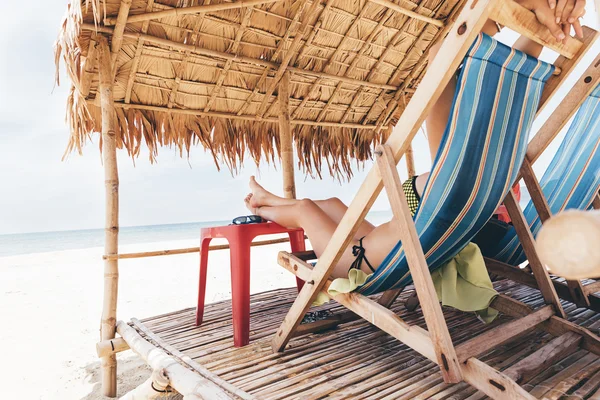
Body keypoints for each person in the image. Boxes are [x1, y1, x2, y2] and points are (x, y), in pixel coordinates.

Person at [244, 0, 587, 281]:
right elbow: (508, 69)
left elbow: (442, 53)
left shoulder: (461, 182)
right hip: (424, 227)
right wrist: (546, 17)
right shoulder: (489, 185)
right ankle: (265, 199)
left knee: (306, 209)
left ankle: (260, 203)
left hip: (368, 251)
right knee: (332, 202)